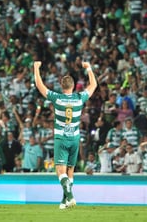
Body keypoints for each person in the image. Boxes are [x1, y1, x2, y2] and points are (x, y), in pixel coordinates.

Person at [33, 60, 97, 210]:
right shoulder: (79, 98)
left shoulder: (57, 98)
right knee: (70, 171)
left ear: (62, 86)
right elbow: (93, 85)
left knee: (60, 171)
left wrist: (36, 68)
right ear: (73, 86)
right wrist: (89, 68)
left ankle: (70, 196)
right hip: (75, 138)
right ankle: (64, 201)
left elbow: (40, 86)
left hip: (61, 138)